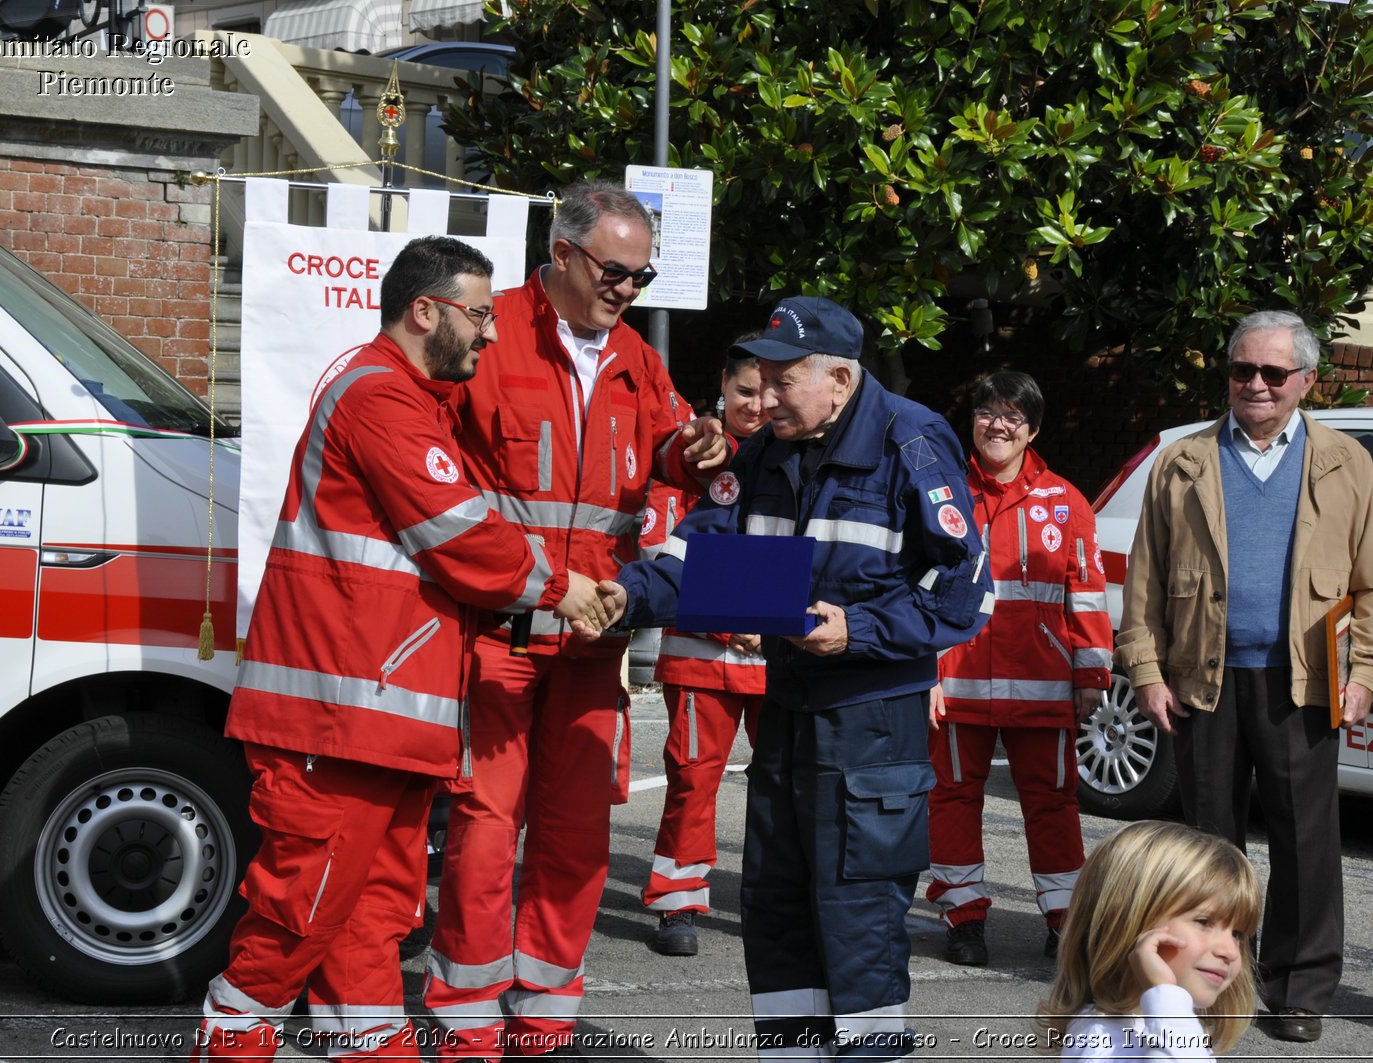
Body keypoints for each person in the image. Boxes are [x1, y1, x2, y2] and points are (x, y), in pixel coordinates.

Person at [193, 236, 607, 1062]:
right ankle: (230, 1044)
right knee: (302, 911)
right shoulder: (379, 399)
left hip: (377, 718)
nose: (491, 335)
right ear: (427, 310)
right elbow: (460, 538)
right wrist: (563, 587)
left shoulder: (409, 401)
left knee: (372, 911)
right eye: (480, 316)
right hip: (337, 716)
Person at [589, 295, 995, 1059]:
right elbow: (701, 552)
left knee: (859, 918)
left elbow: (965, 590)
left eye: (782, 381)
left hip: (873, 723)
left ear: (839, 379)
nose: (763, 397)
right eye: (760, 379)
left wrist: (860, 630)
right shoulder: (768, 450)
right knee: (775, 907)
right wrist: (626, 595)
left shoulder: (912, 440)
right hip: (788, 714)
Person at [423, 181, 731, 1061]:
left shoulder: (636, 356)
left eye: (640, 275)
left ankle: (544, 1016)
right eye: (614, 270)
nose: (626, 289)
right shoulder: (492, 334)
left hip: (596, 637)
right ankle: (467, 1018)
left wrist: (695, 446)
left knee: (577, 832)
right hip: (497, 632)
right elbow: (433, 464)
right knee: (485, 828)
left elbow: (666, 449)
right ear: (561, 255)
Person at [1115, 309, 1373, 1045]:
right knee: (1207, 845)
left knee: (1307, 842)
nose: (1257, 384)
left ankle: (1297, 986)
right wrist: (1145, 670)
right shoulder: (1183, 462)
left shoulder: (1345, 462)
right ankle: (1210, 982)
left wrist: (1366, 671)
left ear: (1306, 379)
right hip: (1201, 680)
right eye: (1244, 369)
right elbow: (1144, 581)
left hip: (1304, 683)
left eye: (1275, 372)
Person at [925, 371, 1112, 967]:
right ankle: (963, 919)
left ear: (1033, 429)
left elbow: (1086, 595)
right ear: (972, 420)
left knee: (1053, 803)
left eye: (1013, 415)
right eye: (987, 411)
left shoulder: (1067, 501)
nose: (998, 424)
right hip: (956, 685)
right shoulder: (940, 493)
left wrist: (1091, 675)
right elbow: (917, 589)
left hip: (1043, 686)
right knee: (952, 799)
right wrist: (924, 671)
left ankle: (1065, 921)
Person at [638, 346, 769, 957]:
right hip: (700, 652)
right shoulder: (697, 455)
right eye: (746, 390)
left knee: (782, 784)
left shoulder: (800, 459)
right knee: (692, 780)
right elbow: (679, 550)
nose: (759, 403)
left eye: (772, 390)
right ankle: (677, 902)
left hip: (776, 657)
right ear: (723, 387)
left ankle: (773, 899)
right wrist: (734, 613)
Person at [1037, 820, 1261, 1060]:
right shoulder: (1102, 1043)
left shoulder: (1162, 1023)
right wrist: (1165, 997)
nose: (1230, 951)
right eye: (1204, 922)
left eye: (1237, 933)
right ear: (1128, 921)